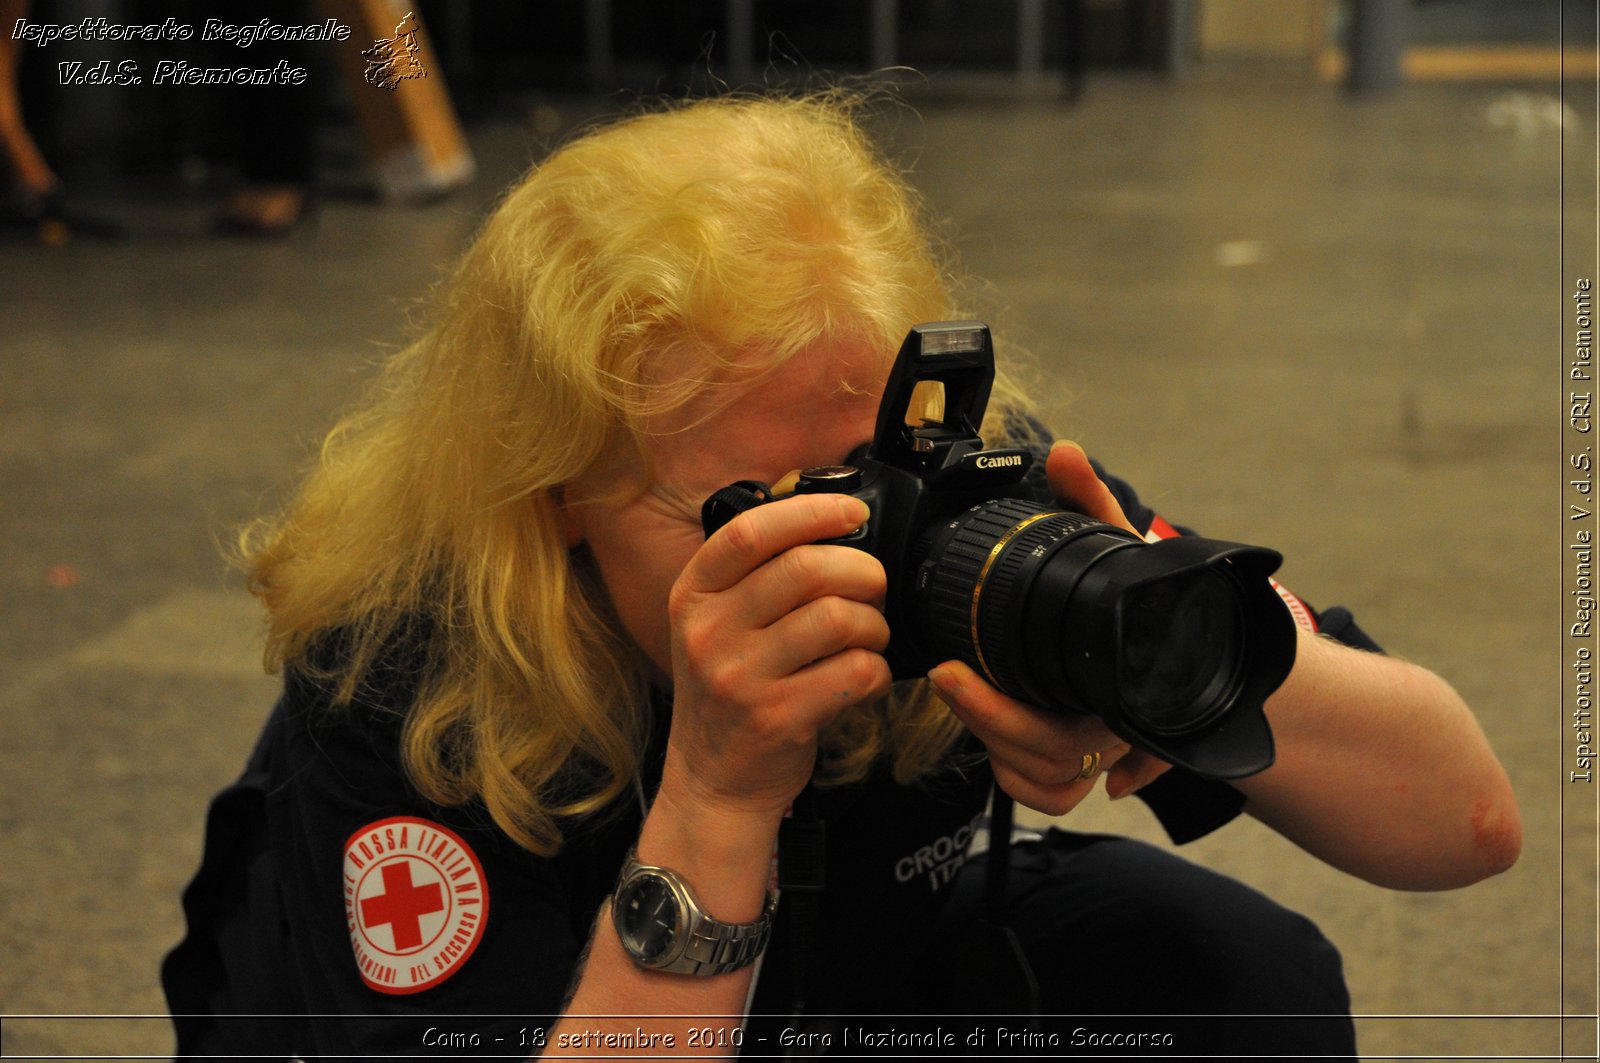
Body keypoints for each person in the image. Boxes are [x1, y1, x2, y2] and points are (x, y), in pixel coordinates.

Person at [162, 91, 1521, 1060]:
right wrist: (714, 794)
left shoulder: (966, 493)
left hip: (846, 956)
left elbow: (1463, 823)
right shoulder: (412, 669)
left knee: (1232, 972)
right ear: (555, 490)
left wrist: (1150, 683)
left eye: (870, 477)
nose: (851, 548)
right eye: (756, 513)